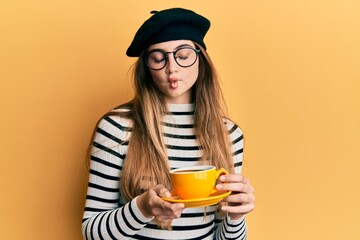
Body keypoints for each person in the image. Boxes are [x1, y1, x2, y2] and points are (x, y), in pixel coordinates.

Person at [82, 7, 255, 240]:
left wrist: (236, 217)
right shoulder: (117, 128)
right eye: (158, 58)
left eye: (183, 55)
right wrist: (142, 208)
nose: (172, 68)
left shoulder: (229, 134)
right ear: (147, 67)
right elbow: (91, 232)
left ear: (200, 59)